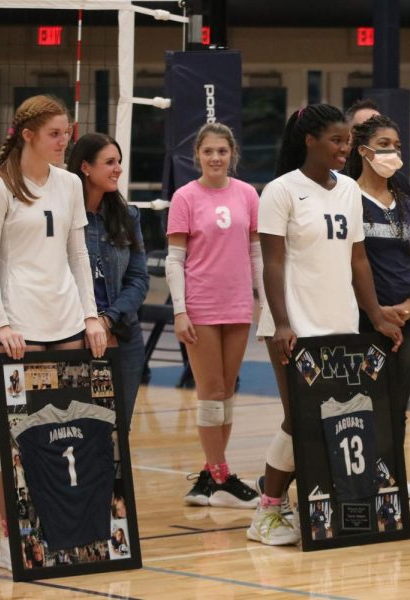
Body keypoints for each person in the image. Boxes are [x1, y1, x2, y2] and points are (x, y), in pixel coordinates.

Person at [248, 104, 402, 546]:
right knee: (300, 421)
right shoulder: (279, 191)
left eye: (347, 141)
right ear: (309, 141)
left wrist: (374, 315)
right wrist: (281, 323)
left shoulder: (350, 189)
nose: (344, 148)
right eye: (336, 140)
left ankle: (313, 509)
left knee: (335, 420)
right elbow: (271, 264)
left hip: (341, 324)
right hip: (295, 325)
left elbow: (358, 259)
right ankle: (267, 511)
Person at [0, 95, 107, 572]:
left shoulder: (67, 185)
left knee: (70, 430)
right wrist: (1, 322)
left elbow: (78, 255)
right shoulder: (0, 188)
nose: (65, 141)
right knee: (10, 436)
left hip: (66, 320)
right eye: (55, 134)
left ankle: (63, 530)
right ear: (28, 136)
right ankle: (7, 535)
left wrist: (91, 315)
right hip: (20, 322)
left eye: (68, 132)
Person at [165, 122, 261, 509]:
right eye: (209, 152)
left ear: (232, 154)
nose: (216, 157)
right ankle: (219, 474)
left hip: (237, 305)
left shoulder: (247, 194)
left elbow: (256, 253)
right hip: (201, 306)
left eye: (222, 151)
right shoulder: (185, 197)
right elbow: (175, 259)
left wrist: (265, 302)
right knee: (209, 394)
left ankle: (213, 474)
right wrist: (180, 311)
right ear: (198, 156)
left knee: (226, 393)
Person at [344, 113, 410, 496]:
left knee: (397, 400)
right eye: (384, 145)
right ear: (363, 150)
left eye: (396, 146)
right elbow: (351, 261)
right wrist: (378, 313)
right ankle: (364, 473)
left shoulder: (406, 204)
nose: (392, 152)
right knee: (367, 398)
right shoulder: (347, 197)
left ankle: (392, 473)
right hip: (367, 317)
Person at [67, 133, 149, 428]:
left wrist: (108, 320)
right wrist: (90, 321)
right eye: (110, 162)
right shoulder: (64, 215)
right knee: (77, 428)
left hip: (122, 334)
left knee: (118, 430)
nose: (118, 169)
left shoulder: (127, 216)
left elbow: (139, 279)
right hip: (73, 335)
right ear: (85, 167)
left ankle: (114, 477)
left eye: (119, 162)